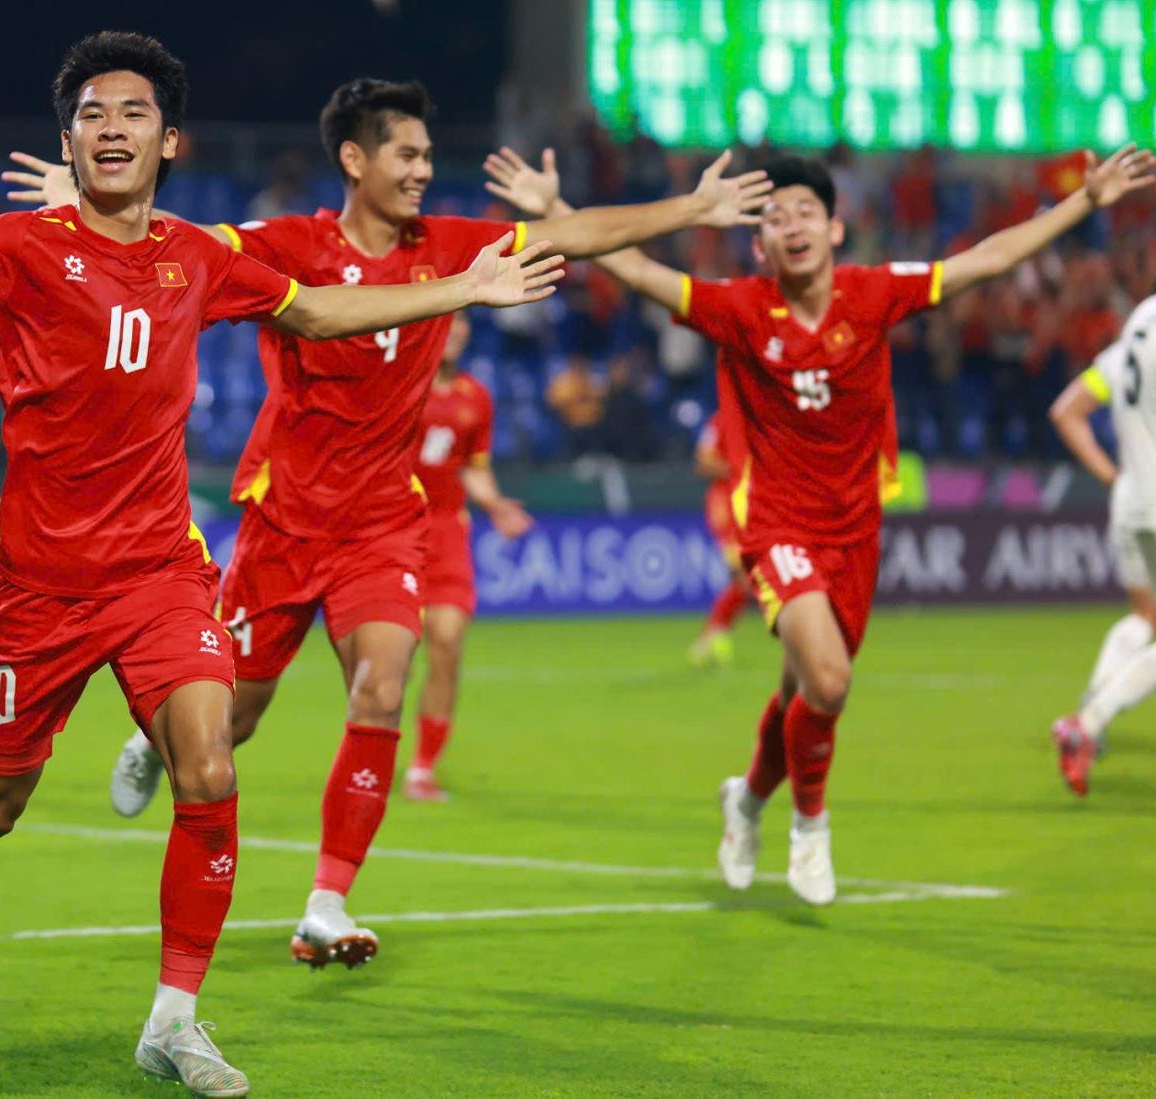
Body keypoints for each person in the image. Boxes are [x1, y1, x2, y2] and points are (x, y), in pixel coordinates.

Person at [0, 32, 563, 1097]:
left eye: (133, 112)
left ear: (169, 140)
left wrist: (460, 288)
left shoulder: (198, 256)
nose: (110, 127)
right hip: (38, 587)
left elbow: (318, 310)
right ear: (68, 141)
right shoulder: (14, 249)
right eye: (90, 113)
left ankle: (173, 1020)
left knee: (211, 769)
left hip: (159, 575)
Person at [8, 78, 772, 969]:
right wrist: (88, 210)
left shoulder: (445, 245)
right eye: (406, 154)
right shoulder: (290, 244)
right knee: (233, 719)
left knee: (381, 687)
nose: (422, 171)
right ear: (355, 159)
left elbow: (574, 235)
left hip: (381, 525)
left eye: (427, 156)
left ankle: (327, 903)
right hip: (284, 523)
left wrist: (693, 208)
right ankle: (153, 742)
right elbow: (182, 244)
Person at [483, 142, 1155, 904]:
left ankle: (746, 801)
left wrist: (1084, 201)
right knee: (830, 681)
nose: (792, 225)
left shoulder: (874, 294)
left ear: (835, 229)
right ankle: (809, 824)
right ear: (759, 244)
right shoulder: (742, 308)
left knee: (801, 693)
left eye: (806, 212)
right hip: (777, 525)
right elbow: (636, 270)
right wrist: (554, 210)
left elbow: (989, 259)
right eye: (774, 217)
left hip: (855, 533)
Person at [404, 310, 533, 802]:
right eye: (447, 322)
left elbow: (473, 467)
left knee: (448, 640)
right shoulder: (401, 385)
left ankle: (423, 766)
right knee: (389, 657)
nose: (455, 331)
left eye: (461, 325)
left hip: (446, 532)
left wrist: (495, 505)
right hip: (392, 527)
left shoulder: (475, 397)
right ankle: (369, 754)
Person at [1048, 290, 1156, 796]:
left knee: (1146, 618)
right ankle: (1088, 723)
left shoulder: (1138, 327)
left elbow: (1067, 411)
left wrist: (1114, 478)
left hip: (1132, 501)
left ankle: (1093, 706)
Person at [687, 392, 752, 669]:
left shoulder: (761, 420)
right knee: (745, 577)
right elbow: (703, 462)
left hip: (754, 505)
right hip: (726, 506)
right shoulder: (720, 421)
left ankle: (714, 635)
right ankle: (711, 636)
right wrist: (740, 471)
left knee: (748, 581)